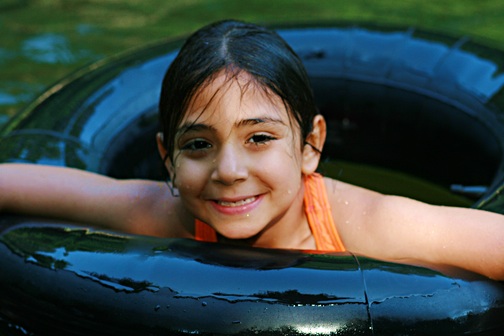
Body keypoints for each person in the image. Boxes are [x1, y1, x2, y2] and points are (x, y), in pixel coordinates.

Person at [0, 20, 503, 280]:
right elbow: (33, 187)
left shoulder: (365, 222)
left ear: (310, 146)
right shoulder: (168, 214)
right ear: (167, 160)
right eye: (198, 145)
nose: (229, 170)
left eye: (259, 138)